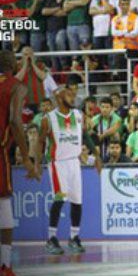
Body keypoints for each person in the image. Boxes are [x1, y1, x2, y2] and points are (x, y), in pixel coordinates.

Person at [37, 87, 102, 255]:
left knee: (77, 201)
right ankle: (51, 239)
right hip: (57, 164)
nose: (73, 97)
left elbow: (85, 136)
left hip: (74, 162)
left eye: (73, 94)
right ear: (58, 98)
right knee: (60, 198)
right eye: (68, 94)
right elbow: (40, 142)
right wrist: (36, 163)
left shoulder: (78, 115)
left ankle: (74, 237)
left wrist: (96, 156)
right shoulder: (48, 119)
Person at [0, 50, 39, 276]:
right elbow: (15, 120)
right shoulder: (16, 86)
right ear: (13, 65)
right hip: (1, 152)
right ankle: (5, 265)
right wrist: (26, 158)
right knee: (4, 209)